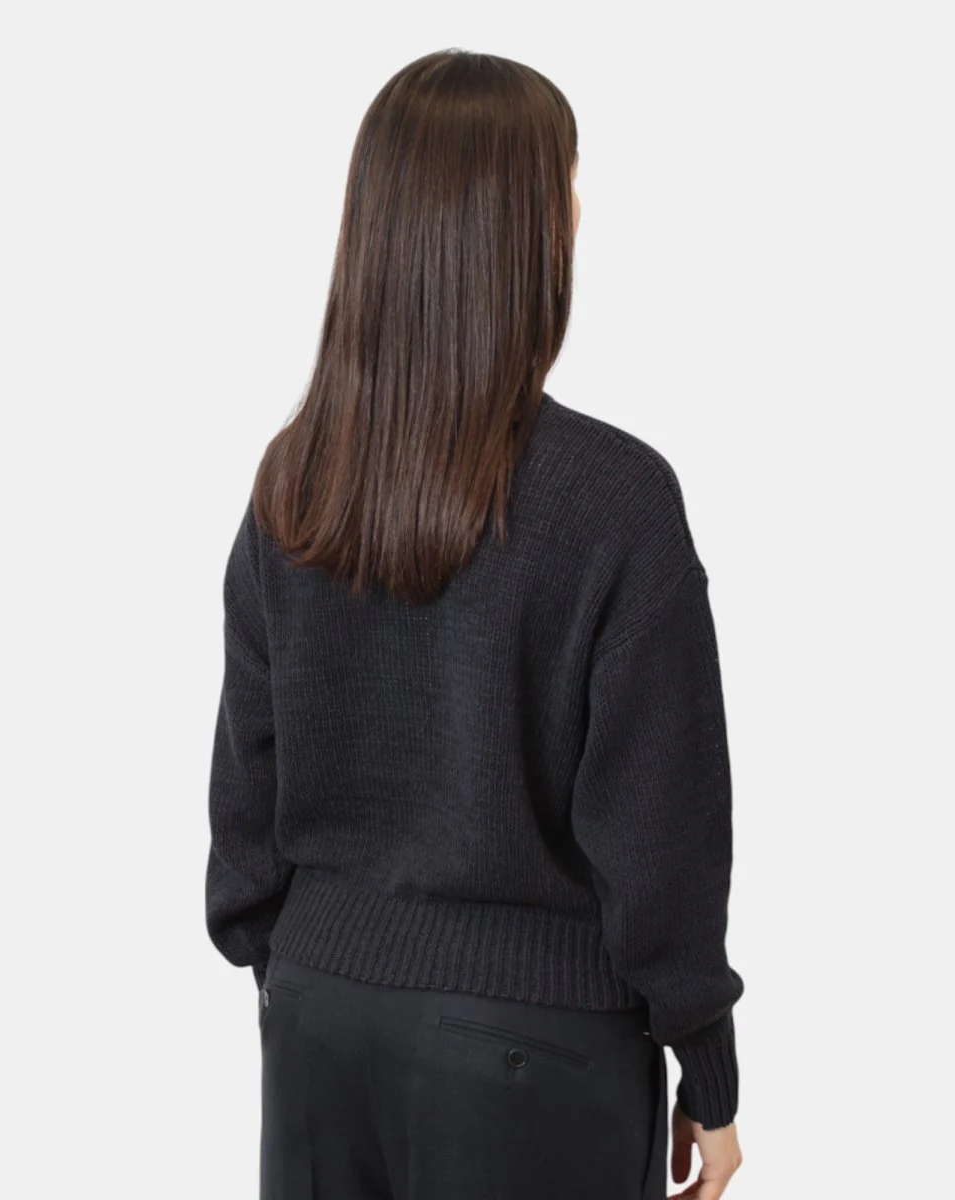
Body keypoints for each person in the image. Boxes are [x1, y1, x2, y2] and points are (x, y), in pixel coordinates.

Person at [205, 47, 745, 1200]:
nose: (581, 211)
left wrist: (301, 965)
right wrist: (707, 1060)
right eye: (568, 184)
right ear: (525, 231)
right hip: (535, 1050)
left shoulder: (292, 482)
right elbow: (661, 827)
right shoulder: (615, 498)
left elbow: (247, 785)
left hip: (316, 1024)